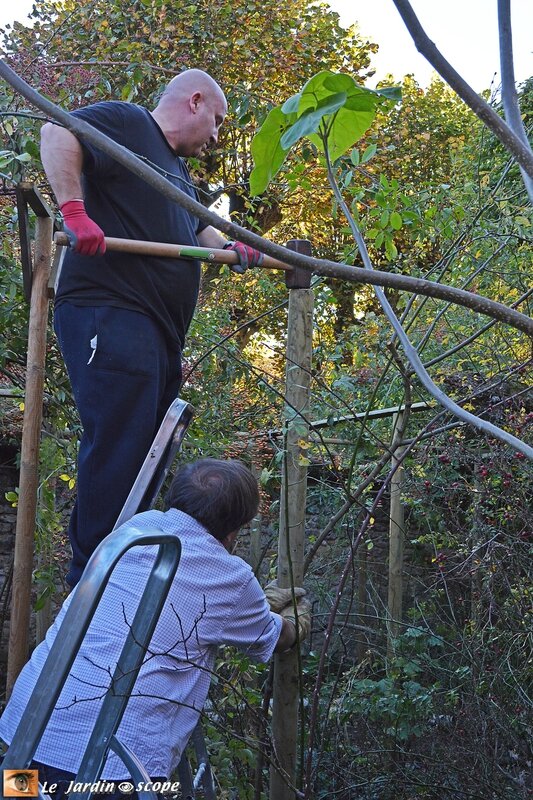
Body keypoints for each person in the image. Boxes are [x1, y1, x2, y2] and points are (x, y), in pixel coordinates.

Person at [40, 69, 264, 587]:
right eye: (217, 121)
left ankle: (126, 569)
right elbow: (57, 133)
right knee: (120, 445)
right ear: (195, 100)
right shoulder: (129, 123)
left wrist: (236, 247)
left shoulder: (180, 181)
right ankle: (91, 582)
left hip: (156, 334)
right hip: (111, 311)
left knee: (149, 452)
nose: (216, 136)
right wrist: (75, 213)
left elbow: (200, 227)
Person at [0, 459, 311, 799]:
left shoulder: (136, 529)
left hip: (24, 740)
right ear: (237, 528)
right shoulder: (231, 577)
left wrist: (256, 605)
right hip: (109, 773)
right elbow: (273, 637)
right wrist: (297, 622)